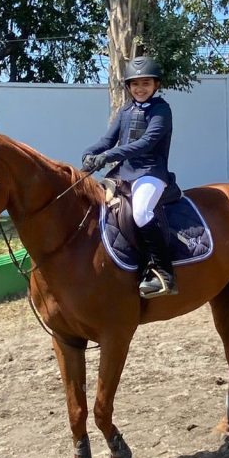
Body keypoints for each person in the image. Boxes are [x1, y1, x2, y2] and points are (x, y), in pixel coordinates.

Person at [82, 56, 178, 298]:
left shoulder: (161, 110)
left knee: (141, 212)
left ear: (156, 85)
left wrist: (108, 156)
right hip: (124, 173)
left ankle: (164, 272)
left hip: (151, 172)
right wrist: (91, 152)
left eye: (146, 83)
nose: (140, 88)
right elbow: (107, 140)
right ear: (128, 87)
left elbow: (146, 144)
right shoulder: (125, 110)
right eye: (135, 84)